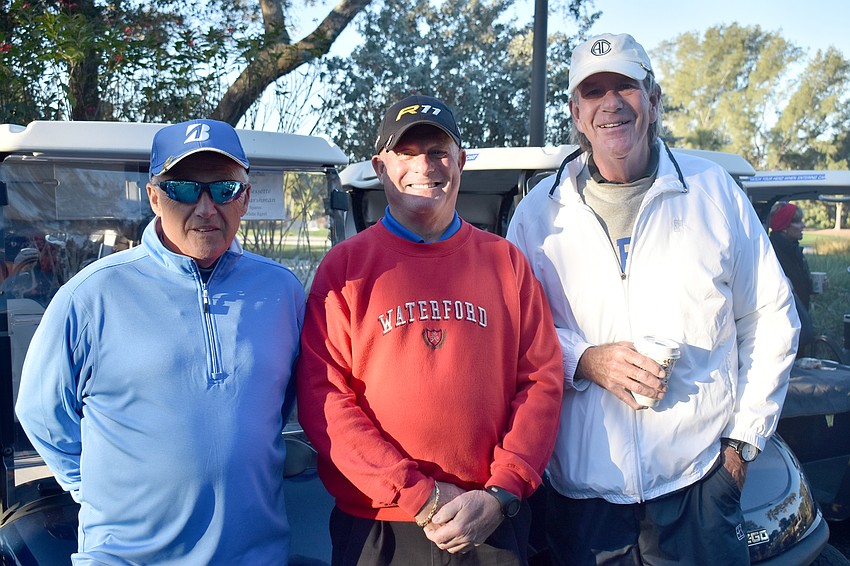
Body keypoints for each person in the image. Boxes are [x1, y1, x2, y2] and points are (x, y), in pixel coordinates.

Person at [506, 33, 800, 565]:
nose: (611, 103)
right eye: (593, 92)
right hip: (583, 499)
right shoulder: (536, 215)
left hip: (699, 488)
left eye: (626, 86)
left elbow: (770, 315)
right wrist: (585, 360)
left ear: (654, 98)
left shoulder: (713, 192)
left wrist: (741, 446)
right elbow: (515, 335)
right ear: (576, 112)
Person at [16, 119, 305, 564]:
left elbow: (276, 402)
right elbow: (42, 415)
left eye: (225, 189)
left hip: (256, 555)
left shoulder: (282, 290)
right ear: (153, 196)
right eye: (184, 189)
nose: (207, 207)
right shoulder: (91, 295)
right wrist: (99, 489)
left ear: (245, 198)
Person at [295, 94, 564, 565]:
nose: (425, 164)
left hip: (489, 521)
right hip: (379, 526)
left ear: (460, 162)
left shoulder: (505, 263)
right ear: (381, 167)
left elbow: (541, 381)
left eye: (438, 151)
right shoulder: (345, 268)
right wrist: (416, 494)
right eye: (407, 151)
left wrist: (503, 489)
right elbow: (325, 398)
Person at [767, 202, 816, 349]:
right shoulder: (771, 252)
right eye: (797, 221)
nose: (803, 225)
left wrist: (812, 286)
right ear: (784, 227)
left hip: (798, 322)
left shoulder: (794, 249)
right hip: (784, 329)